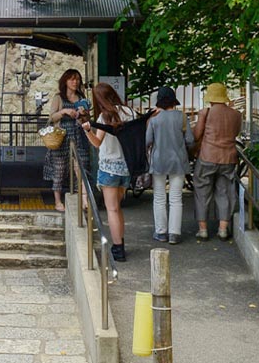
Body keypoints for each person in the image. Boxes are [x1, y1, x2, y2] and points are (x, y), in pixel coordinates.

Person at [81, 82, 134, 263]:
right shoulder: (129, 112)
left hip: (109, 167)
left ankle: (118, 248)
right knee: (117, 208)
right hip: (126, 167)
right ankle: (120, 244)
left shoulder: (105, 117)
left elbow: (97, 143)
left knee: (112, 209)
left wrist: (87, 131)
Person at [192, 82, 243, 242]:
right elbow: (236, 133)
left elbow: (196, 135)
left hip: (207, 157)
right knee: (225, 191)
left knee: (202, 191)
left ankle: (203, 230)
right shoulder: (236, 114)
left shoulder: (206, 113)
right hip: (228, 158)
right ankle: (223, 229)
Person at [145, 87, 195, 245]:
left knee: (159, 197)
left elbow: (147, 141)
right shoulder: (182, 117)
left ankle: (161, 232)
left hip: (158, 161)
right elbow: (190, 140)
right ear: (174, 101)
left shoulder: (154, 119)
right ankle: (174, 233)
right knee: (176, 198)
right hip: (178, 161)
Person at [44, 68, 91, 212]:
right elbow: (52, 117)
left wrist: (83, 114)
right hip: (61, 138)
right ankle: (58, 201)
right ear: (65, 81)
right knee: (59, 169)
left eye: (77, 79)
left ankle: (84, 200)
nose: (75, 82)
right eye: (72, 79)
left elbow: (87, 119)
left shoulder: (81, 98)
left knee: (81, 167)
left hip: (78, 136)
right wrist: (64, 111)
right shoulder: (59, 98)